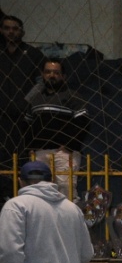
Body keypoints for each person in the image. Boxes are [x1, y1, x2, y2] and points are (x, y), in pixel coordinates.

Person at [23, 59, 90, 199]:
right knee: (38, 191)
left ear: (63, 76)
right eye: (48, 72)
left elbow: (83, 123)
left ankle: (68, 220)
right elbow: (27, 125)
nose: (51, 75)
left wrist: (69, 146)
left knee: (66, 190)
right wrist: (31, 147)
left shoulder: (73, 96)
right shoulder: (35, 99)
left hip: (63, 153)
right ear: (42, 74)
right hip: (40, 153)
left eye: (56, 73)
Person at [0, 15, 44, 202]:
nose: (11, 31)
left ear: (22, 32)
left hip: (23, 117)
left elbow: (42, 81)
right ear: (1, 30)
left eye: (15, 28)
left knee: (21, 156)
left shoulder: (33, 54)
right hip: (1, 118)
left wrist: (26, 102)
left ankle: (20, 194)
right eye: (7, 28)